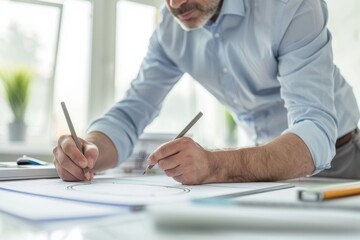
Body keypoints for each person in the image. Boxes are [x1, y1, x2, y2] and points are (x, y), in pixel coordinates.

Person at [53, 0, 360, 184]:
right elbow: (130, 113)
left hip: (340, 159)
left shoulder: (289, 7)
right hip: (260, 169)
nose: (175, 4)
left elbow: (315, 130)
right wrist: (89, 148)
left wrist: (214, 165)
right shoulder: (169, 31)